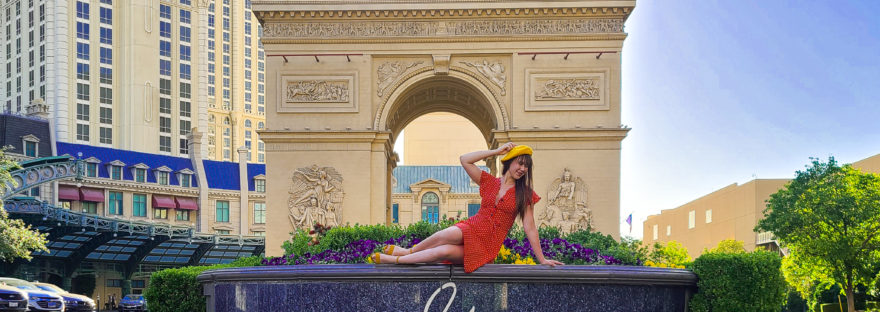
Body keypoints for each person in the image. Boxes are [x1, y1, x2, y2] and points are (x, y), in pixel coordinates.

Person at [370, 142, 564, 272]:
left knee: (442, 251)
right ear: (509, 161)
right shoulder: (489, 182)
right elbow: (465, 159)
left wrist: (542, 259)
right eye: (520, 163)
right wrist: (497, 152)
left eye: (526, 166)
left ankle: (396, 259)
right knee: (443, 235)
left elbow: (530, 228)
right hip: (472, 227)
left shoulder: (525, 194)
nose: (523, 169)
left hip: (488, 244)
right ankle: (405, 253)